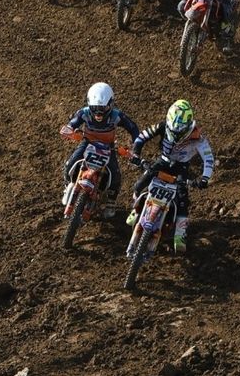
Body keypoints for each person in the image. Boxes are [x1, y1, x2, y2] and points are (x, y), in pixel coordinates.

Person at [128, 100, 214, 254]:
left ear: (188, 126)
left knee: (182, 198)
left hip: (181, 167)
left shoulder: (197, 137)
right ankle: (135, 211)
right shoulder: (162, 126)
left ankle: (180, 235)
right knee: (140, 183)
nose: (175, 135)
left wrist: (204, 178)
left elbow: (208, 158)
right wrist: (136, 153)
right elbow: (143, 136)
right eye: (173, 131)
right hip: (163, 161)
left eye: (179, 132)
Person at [59, 82, 140, 207]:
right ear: (89, 104)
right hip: (88, 142)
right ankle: (67, 185)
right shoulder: (84, 113)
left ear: (111, 104)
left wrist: (136, 146)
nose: (98, 113)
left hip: (108, 146)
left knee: (115, 174)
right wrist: (69, 129)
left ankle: (111, 201)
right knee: (71, 163)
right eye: (95, 108)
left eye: (103, 109)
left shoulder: (117, 115)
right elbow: (73, 122)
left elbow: (133, 128)